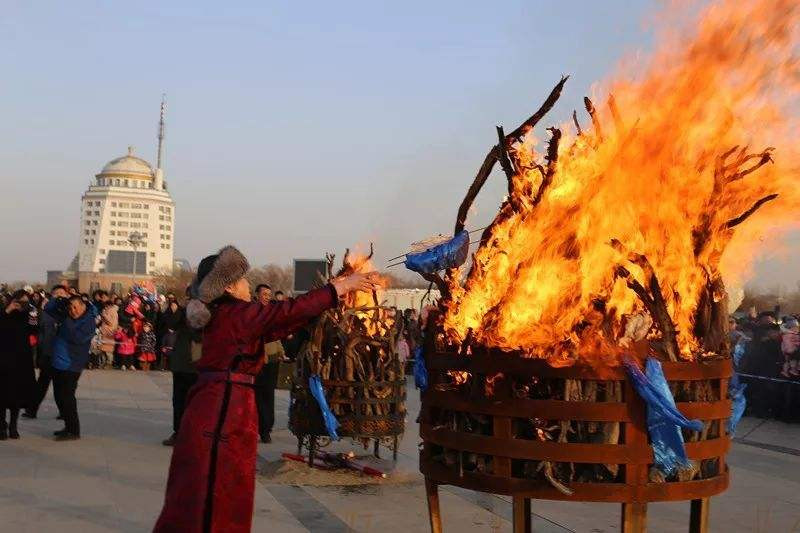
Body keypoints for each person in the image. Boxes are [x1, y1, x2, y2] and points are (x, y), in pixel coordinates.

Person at [154, 245, 378, 532]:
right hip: (222, 412)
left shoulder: (232, 316)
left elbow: (283, 321)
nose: (249, 284)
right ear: (230, 287)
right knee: (214, 495)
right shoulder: (236, 315)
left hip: (223, 405)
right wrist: (338, 287)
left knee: (216, 493)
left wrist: (332, 298)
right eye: (243, 279)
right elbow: (285, 311)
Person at [45, 294, 97, 440]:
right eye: (70, 307)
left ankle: (74, 430)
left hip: (72, 364)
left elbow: (77, 338)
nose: (73, 310)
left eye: (76, 307)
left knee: (67, 398)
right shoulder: (66, 316)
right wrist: (58, 299)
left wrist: (66, 320)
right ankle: (68, 426)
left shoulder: (88, 321)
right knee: (59, 396)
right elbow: (48, 309)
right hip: (58, 362)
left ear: (83, 306)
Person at [24, 285, 69, 419]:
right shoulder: (44, 313)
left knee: (60, 387)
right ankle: (32, 410)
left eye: (62, 293)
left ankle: (64, 412)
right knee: (42, 384)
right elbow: (39, 332)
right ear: (51, 296)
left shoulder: (69, 311)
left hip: (63, 355)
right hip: (48, 353)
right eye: (56, 293)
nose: (60, 295)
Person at [162, 293, 199, 447]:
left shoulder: (208, 314)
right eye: (189, 298)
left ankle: (194, 434)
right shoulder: (181, 313)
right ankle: (178, 432)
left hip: (198, 365)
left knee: (197, 403)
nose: (191, 301)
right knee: (178, 401)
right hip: (181, 364)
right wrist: (174, 309)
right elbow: (170, 323)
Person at [0, 290, 37, 439]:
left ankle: (13, 426)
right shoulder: (4, 313)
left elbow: (34, 331)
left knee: (17, 396)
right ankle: (2, 426)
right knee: (2, 395)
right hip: (3, 359)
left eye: (25, 302)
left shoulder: (29, 315)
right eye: (19, 301)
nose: (22, 304)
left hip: (22, 360)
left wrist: (33, 317)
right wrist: (8, 310)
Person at [253, 284, 283, 443]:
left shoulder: (272, 312)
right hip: (256, 358)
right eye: (264, 293)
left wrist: (280, 351)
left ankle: (266, 428)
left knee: (268, 393)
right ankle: (258, 427)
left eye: (268, 294)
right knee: (256, 395)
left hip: (271, 357)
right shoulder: (251, 311)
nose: (267, 296)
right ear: (256, 294)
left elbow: (277, 334)